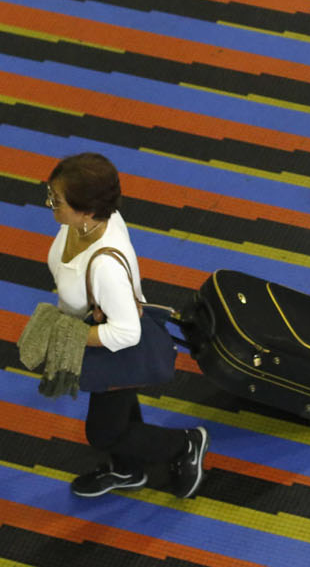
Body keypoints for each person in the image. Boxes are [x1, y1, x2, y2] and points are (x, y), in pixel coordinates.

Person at [45, 153, 209, 498]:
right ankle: (127, 469)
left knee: (103, 434)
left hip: (115, 347)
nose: (50, 205)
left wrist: (68, 336)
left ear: (87, 211)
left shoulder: (105, 266)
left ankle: (184, 445)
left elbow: (126, 333)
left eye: (56, 200)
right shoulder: (82, 224)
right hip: (100, 334)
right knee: (118, 413)